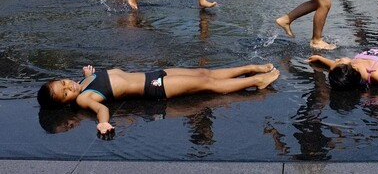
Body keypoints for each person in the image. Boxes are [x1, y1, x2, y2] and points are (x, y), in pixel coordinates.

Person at [37, 63, 280, 135]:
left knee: (204, 73)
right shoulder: (83, 100)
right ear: (66, 103)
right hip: (155, 87)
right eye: (65, 93)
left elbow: (96, 82)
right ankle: (255, 81)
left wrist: (89, 75)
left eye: (63, 84)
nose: (69, 87)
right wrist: (103, 122)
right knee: (208, 85)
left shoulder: (83, 83)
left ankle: (250, 68)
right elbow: (100, 109)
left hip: (154, 74)